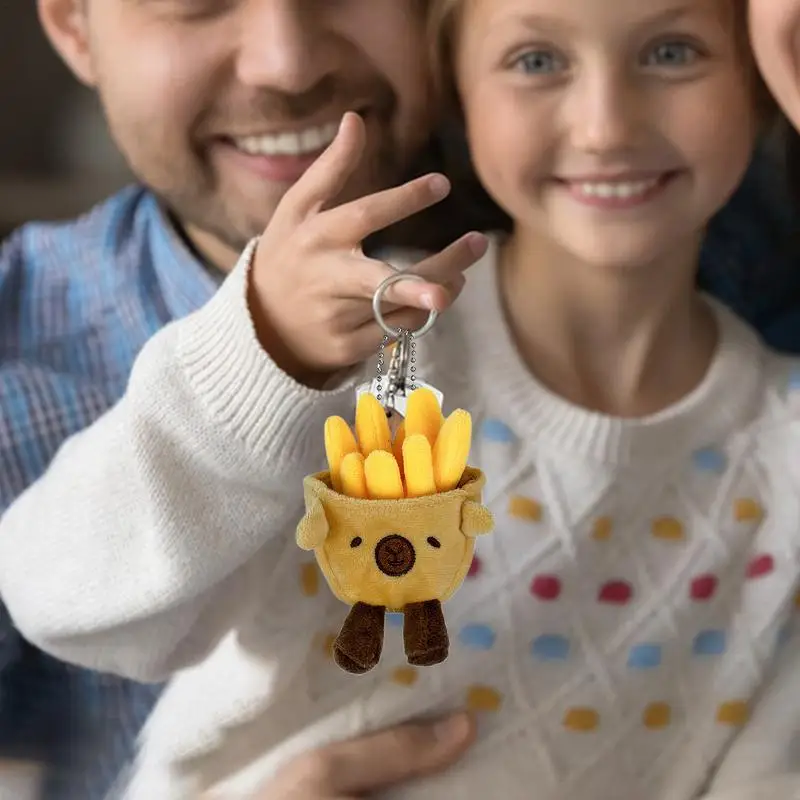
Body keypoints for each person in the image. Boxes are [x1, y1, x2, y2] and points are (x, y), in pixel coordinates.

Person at [0, 1, 798, 799]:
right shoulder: (360, 352)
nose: (605, 127)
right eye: (535, 61)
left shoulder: (783, 439)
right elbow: (62, 600)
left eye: (670, 52)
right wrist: (259, 358)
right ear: (457, 88)